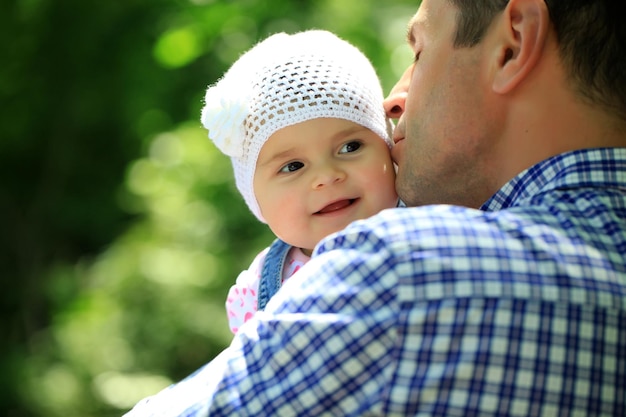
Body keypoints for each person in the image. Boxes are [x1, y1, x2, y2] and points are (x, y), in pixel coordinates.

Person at [124, 0, 626, 415]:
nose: (392, 102)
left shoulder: (403, 275)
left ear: (512, 43)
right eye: (291, 166)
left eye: (421, 50)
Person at [200, 30, 398, 334]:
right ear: (255, 197)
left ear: (387, 145)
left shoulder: (436, 224)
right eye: (293, 166)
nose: (327, 176)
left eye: (350, 147)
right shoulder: (255, 294)